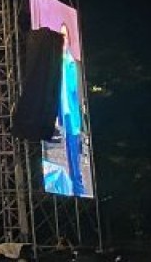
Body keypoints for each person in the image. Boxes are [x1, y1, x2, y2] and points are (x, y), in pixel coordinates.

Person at [58, 22, 87, 196]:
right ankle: (72, 185)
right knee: (66, 150)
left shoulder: (73, 64)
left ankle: (78, 186)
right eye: (60, 36)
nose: (63, 39)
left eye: (65, 36)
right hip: (61, 113)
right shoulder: (55, 63)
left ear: (69, 39)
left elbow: (78, 92)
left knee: (73, 150)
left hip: (73, 115)